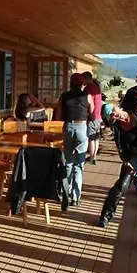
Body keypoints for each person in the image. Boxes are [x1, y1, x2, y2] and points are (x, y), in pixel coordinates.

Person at [98, 105, 137, 228]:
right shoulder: (117, 126)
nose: (114, 115)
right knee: (121, 185)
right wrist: (125, 161)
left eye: (113, 111)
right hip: (133, 156)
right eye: (111, 116)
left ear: (118, 107)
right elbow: (120, 147)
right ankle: (106, 215)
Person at [56, 73, 94, 206]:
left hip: (68, 127)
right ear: (82, 83)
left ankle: (66, 193)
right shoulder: (88, 96)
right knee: (79, 164)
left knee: (69, 162)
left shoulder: (64, 96)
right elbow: (92, 116)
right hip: (82, 127)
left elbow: (58, 116)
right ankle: (75, 197)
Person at [82, 71, 102, 165]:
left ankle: (92, 157)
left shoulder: (88, 89)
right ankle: (94, 155)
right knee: (96, 137)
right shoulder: (97, 87)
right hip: (98, 115)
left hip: (91, 115)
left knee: (90, 137)